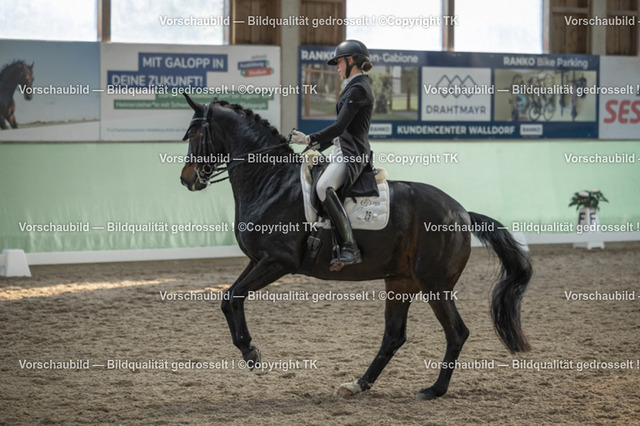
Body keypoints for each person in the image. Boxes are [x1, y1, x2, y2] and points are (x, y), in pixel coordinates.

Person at [290, 39, 374, 270]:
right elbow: (341, 132)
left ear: (352, 60)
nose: (337, 67)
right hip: (341, 149)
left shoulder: (358, 89)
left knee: (323, 186)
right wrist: (313, 147)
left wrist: (309, 138)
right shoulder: (352, 86)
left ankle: (350, 247)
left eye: (339, 62)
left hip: (352, 153)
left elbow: (339, 127)